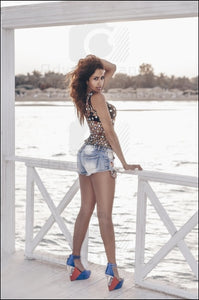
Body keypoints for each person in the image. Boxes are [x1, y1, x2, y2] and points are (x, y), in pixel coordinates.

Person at [66, 54, 142, 291]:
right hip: (99, 155)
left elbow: (113, 67)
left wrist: (90, 61)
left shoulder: (84, 95)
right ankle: (114, 272)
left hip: (85, 153)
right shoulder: (98, 97)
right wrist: (125, 162)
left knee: (85, 210)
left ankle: (75, 262)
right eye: (95, 78)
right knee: (105, 216)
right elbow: (109, 131)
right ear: (87, 80)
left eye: (101, 78)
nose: (100, 81)